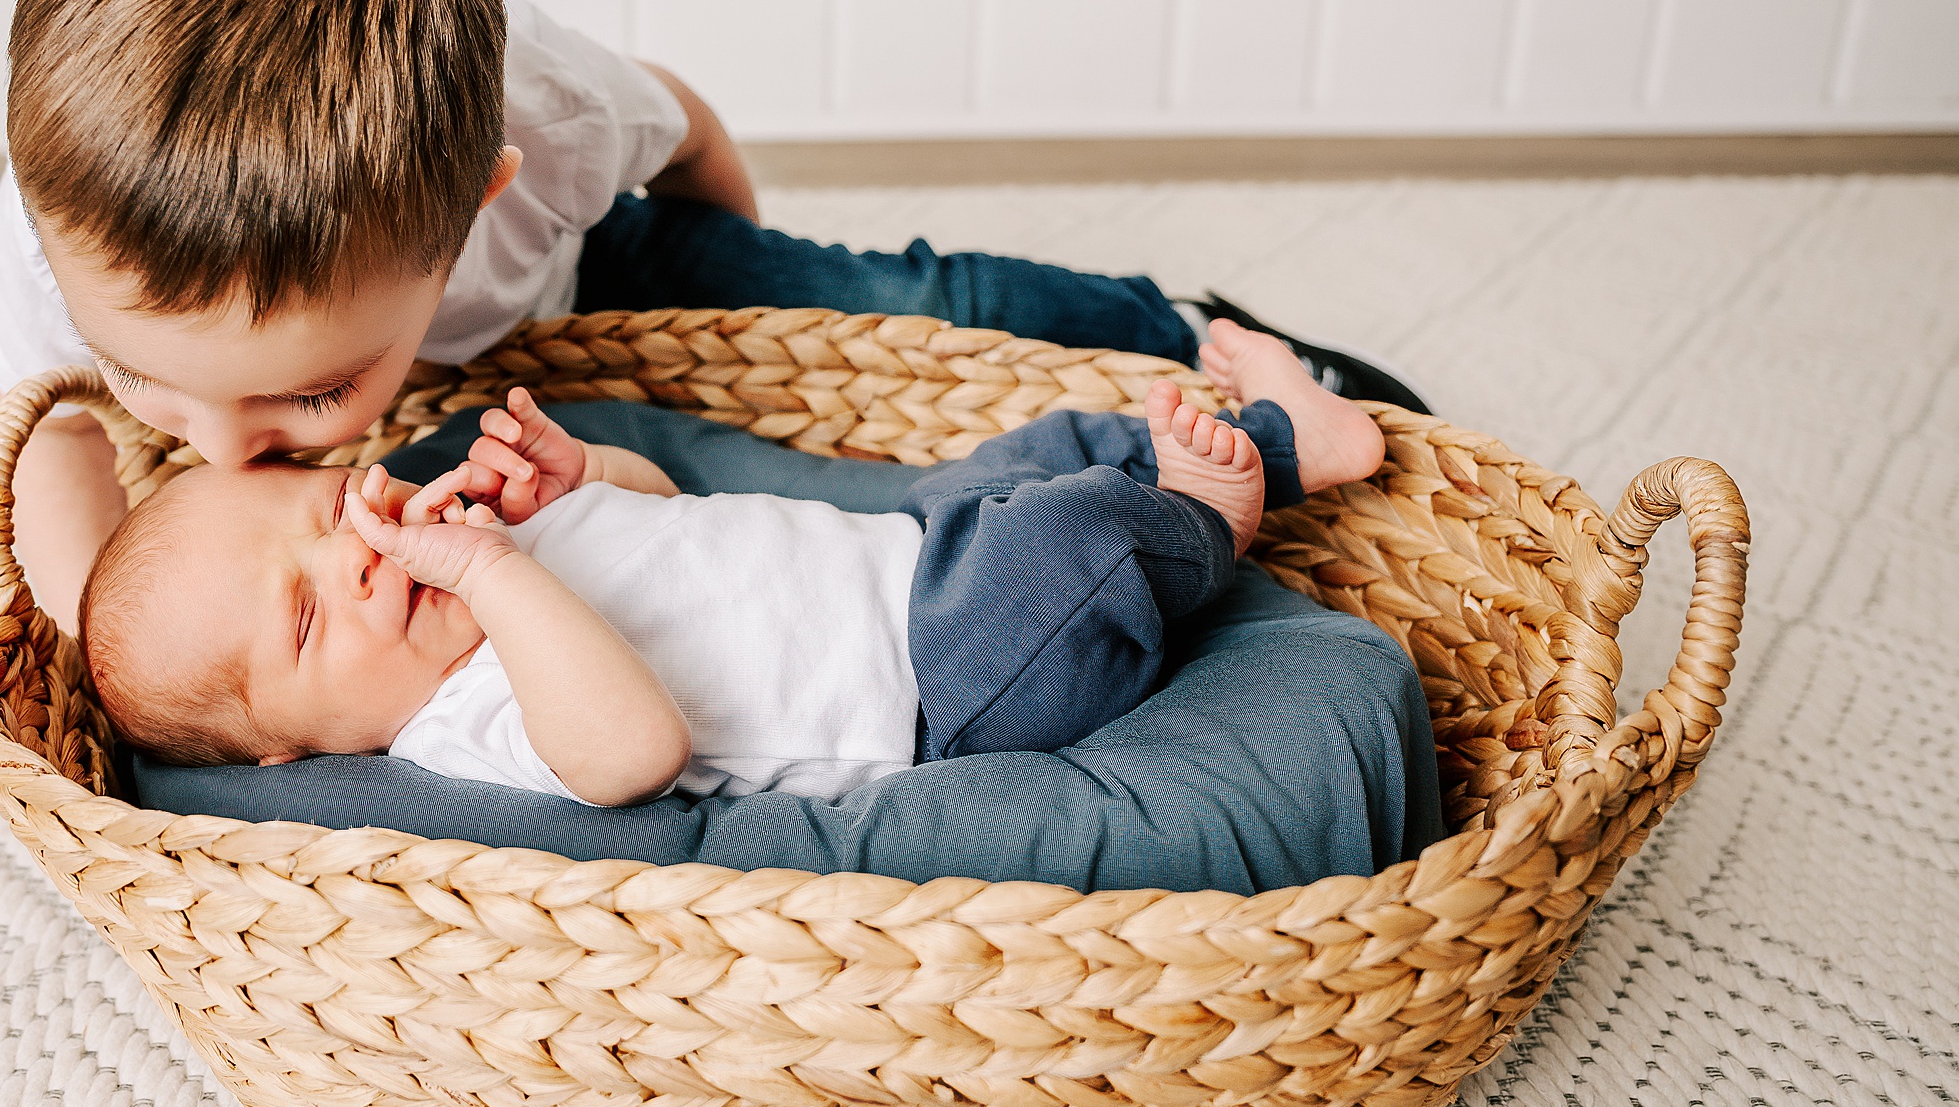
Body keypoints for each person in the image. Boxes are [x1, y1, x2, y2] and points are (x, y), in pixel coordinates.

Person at [0, 0, 1422, 804]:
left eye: (307, 396)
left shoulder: (543, 118)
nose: (230, 455)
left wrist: (748, 316)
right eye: (160, 384)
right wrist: (71, 688)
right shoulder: (62, 229)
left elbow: (685, 128)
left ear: (470, 206)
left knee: (898, 292)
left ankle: (1180, 329)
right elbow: (41, 443)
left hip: (596, 268)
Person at [74, 322, 1386, 805]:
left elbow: (666, 505)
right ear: (290, 752)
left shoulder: (480, 534)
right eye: (307, 625)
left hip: (909, 552)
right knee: (1074, 540)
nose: (355, 564)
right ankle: (1242, 486)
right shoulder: (465, 724)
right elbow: (632, 749)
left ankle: (1267, 430)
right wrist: (490, 579)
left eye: (327, 516)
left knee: (1033, 451)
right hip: (945, 684)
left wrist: (580, 481)